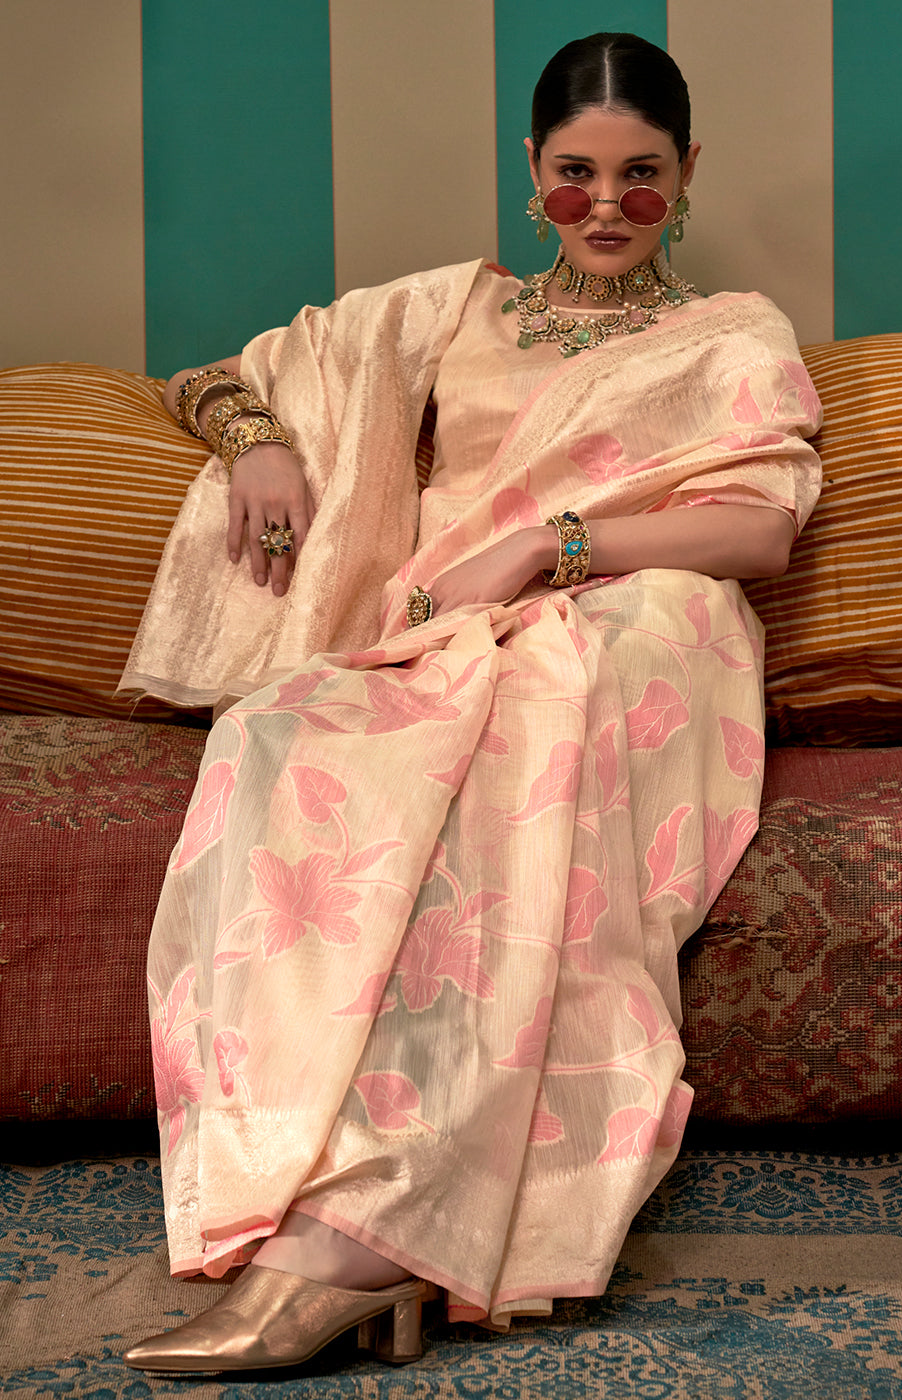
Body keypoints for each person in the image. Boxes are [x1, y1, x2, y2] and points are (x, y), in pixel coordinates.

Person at [122, 32, 822, 1374]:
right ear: (529, 170)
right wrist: (262, 445)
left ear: (688, 173)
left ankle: (356, 1245)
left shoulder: (731, 331)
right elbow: (210, 377)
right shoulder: (450, 313)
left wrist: (545, 548)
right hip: (454, 633)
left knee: (542, 706)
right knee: (275, 731)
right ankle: (313, 1194)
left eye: (640, 173)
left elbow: (757, 530)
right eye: (575, 173)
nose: (605, 204)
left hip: (643, 621)